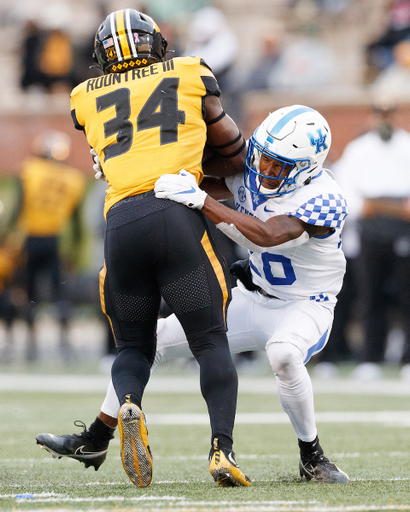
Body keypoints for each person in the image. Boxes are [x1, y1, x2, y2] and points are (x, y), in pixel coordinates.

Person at [36, 105, 349, 484]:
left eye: (278, 167)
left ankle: (312, 456)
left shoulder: (325, 197)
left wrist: (202, 201)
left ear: (308, 168)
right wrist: (123, 168)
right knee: (156, 340)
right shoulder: (254, 165)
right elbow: (186, 176)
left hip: (306, 305)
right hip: (254, 298)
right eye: (263, 159)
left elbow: (268, 236)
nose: (264, 171)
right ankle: (96, 437)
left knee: (283, 355)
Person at [37, 9, 250, 489]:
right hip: (176, 215)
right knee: (210, 341)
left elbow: (114, 153)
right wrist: (196, 151)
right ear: (155, 43)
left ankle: (128, 403)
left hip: (122, 223)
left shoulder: (83, 97)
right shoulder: (191, 71)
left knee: (133, 345)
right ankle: (221, 451)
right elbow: (235, 152)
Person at [335, 103, 410, 381]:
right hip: (369, 226)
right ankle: (370, 357)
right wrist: (365, 207)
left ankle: (407, 358)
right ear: (372, 117)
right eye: (380, 114)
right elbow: (346, 189)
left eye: (390, 113)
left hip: (403, 226)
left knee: (406, 295)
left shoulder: (406, 146)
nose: (385, 120)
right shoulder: (359, 150)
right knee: (370, 294)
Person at [8, 130, 85, 361]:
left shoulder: (28, 171)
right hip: (56, 241)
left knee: (27, 293)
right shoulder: (74, 179)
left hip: (30, 240)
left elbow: (16, 211)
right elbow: (77, 225)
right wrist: (75, 251)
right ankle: (65, 345)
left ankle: (31, 347)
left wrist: (6, 240)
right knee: (60, 294)